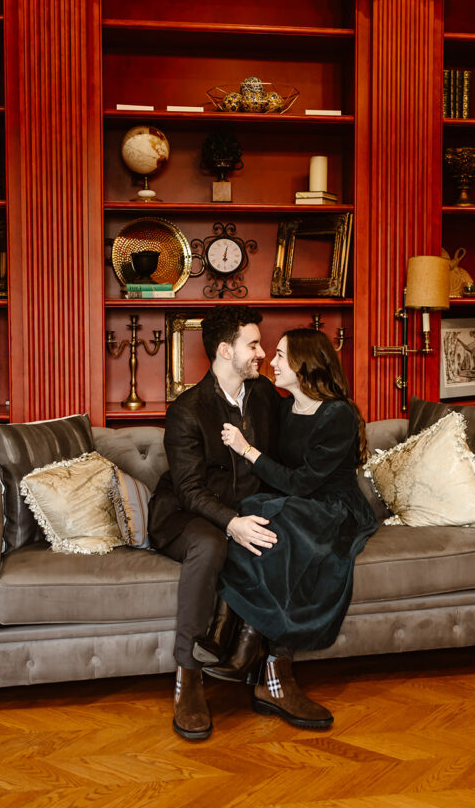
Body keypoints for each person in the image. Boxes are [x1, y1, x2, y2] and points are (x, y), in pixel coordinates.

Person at [205, 327, 378, 731]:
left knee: (278, 527)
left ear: (305, 363)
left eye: (281, 355)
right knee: (250, 514)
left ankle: (246, 649)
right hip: (301, 504)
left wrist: (246, 449)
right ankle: (241, 648)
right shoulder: (284, 407)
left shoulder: (337, 413)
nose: (271, 360)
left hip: (335, 509)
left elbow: (303, 483)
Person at [148, 305, 280, 741]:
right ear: (225, 350)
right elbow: (190, 490)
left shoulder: (262, 397)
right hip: (186, 515)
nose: (262, 352)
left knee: (279, 535)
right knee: (212, 545)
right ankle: (188, 677)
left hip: (244, 507)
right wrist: (233, 524)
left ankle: (265, 669)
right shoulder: (187, 409)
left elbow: (280, 457)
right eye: (254, 344)